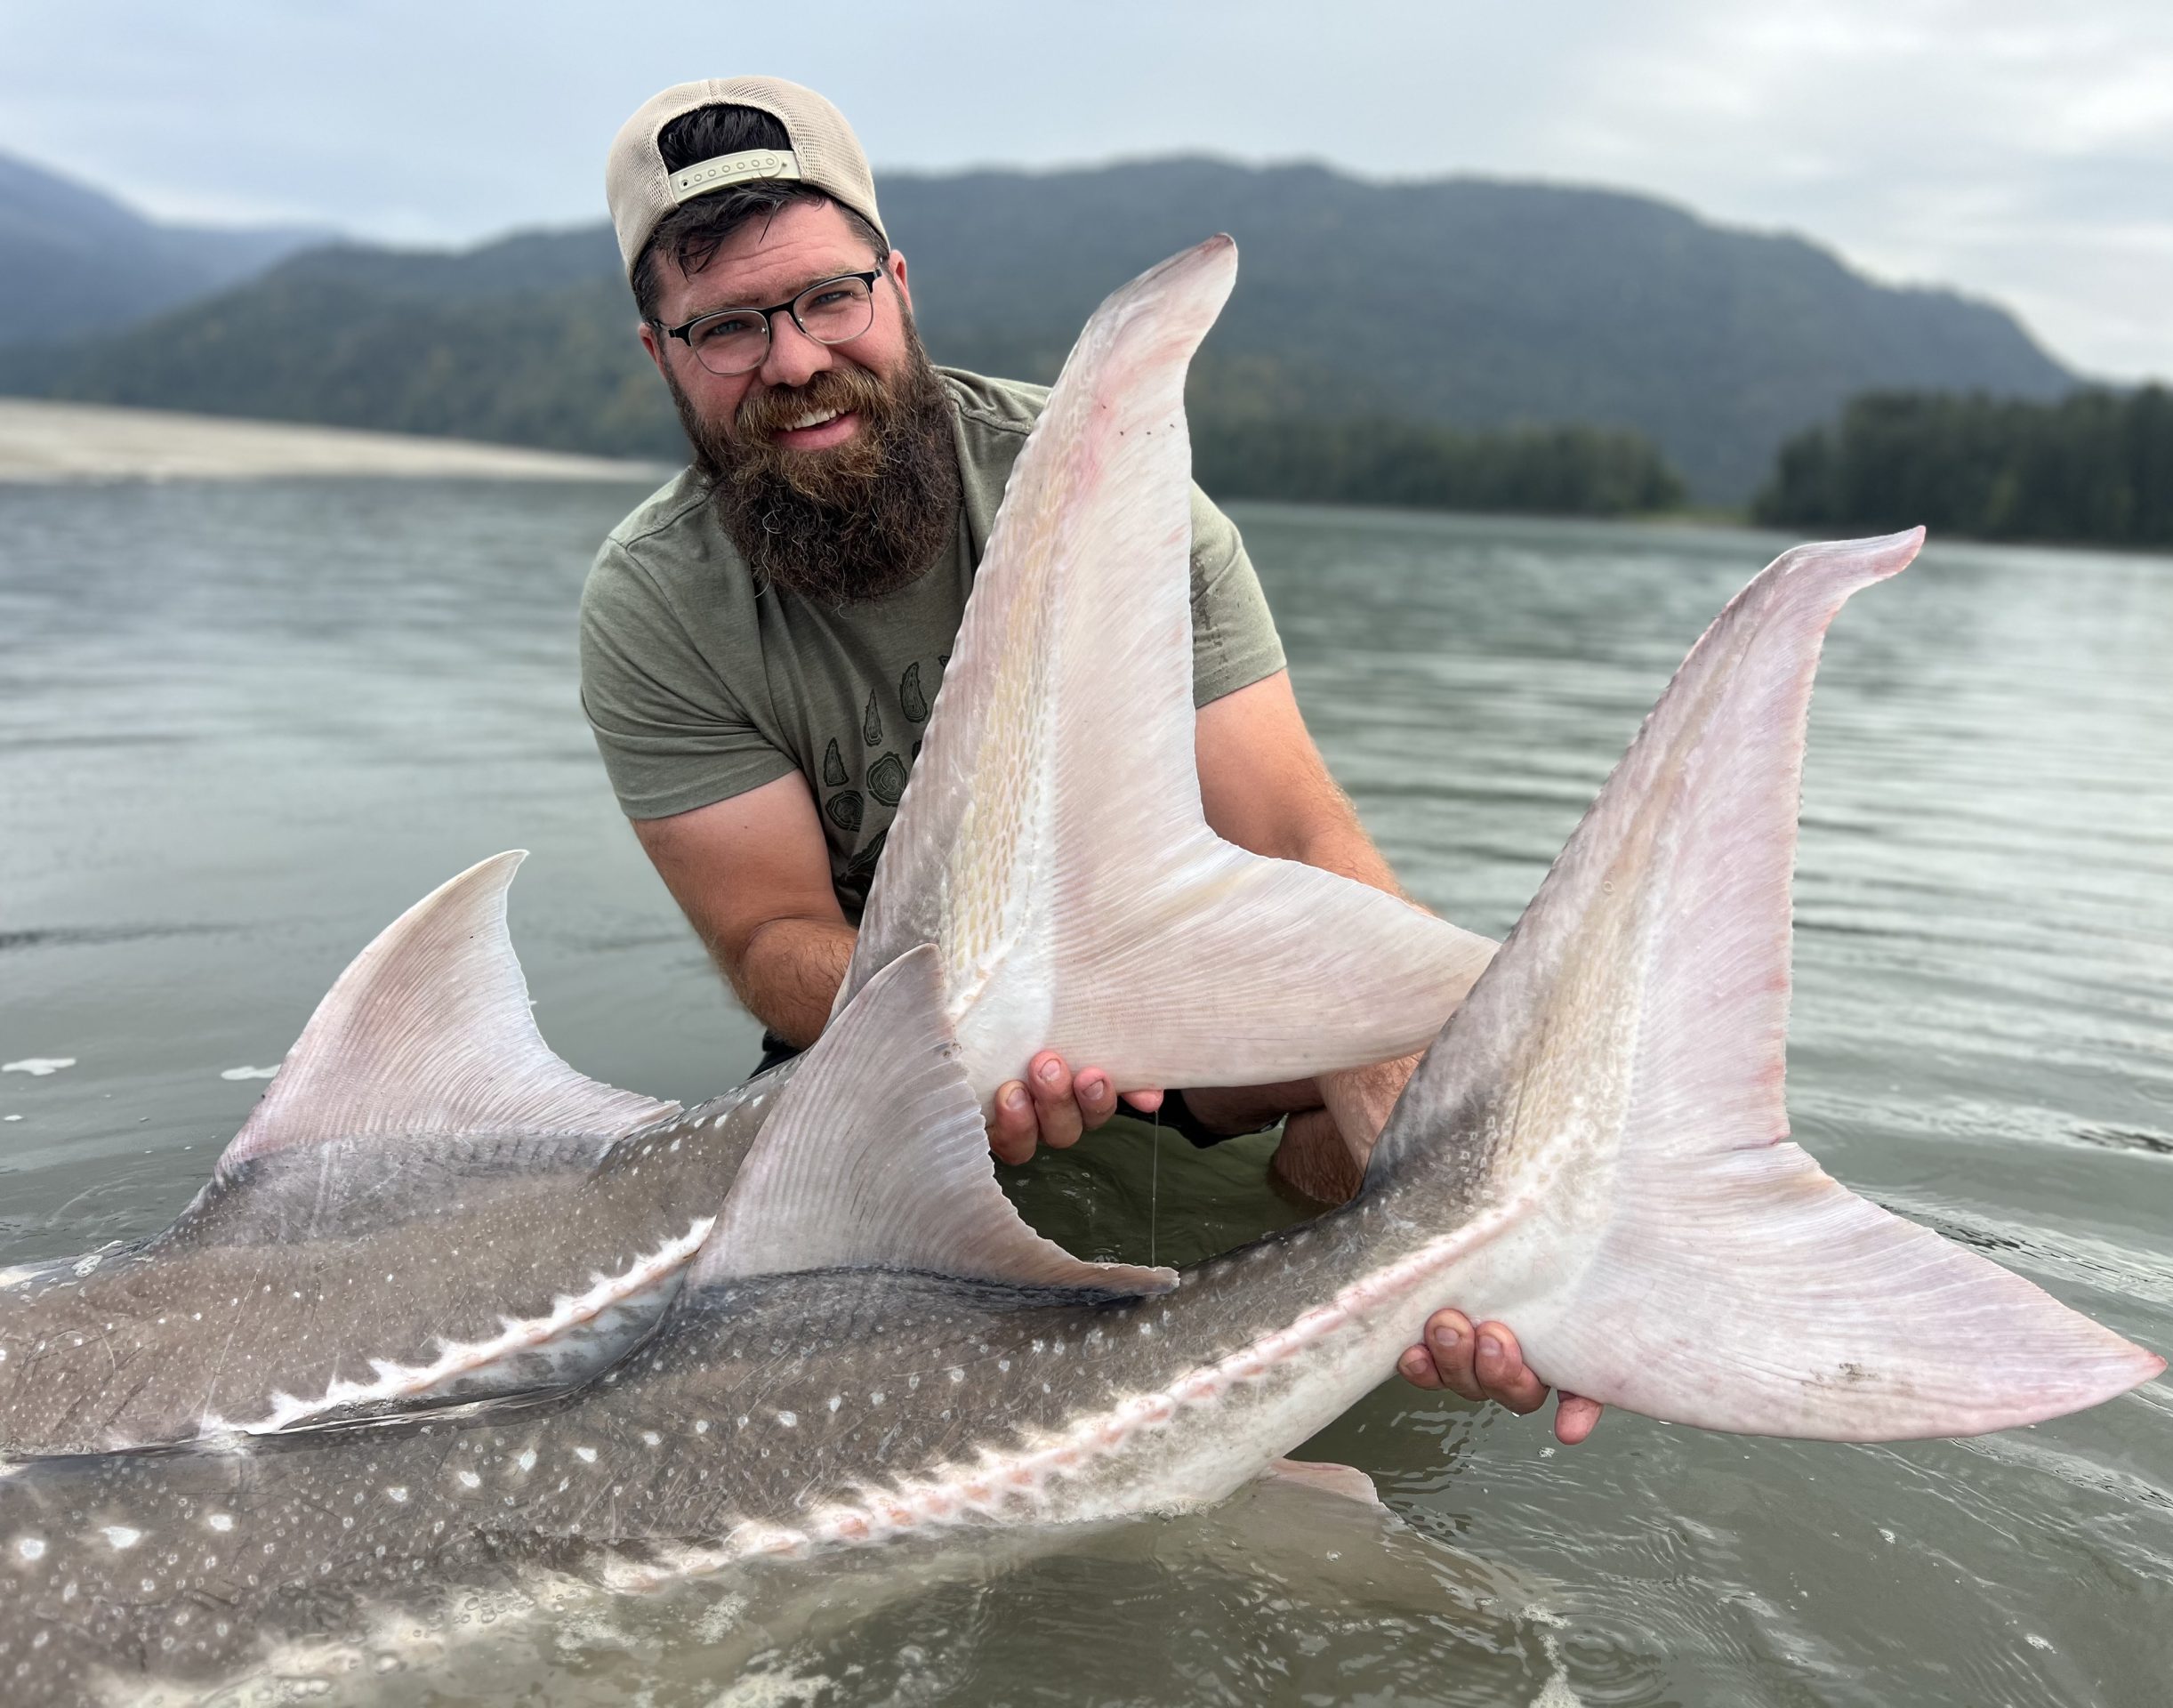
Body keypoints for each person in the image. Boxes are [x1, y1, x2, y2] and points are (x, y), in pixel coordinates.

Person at [581, 76, 1598, 1441]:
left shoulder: (1104, 488)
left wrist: (1480, 1207)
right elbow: (771, 934)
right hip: (901, 1040)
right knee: (747, 1377)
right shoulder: (655, 600)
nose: (796, 360)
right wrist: (960, 1039)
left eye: (830, 298)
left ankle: (1443, 1269)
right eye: (726, 328)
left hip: (1180, 992)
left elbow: (1298, 839)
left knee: (1404, 1101)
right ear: (659, 351)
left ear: (896, 281)